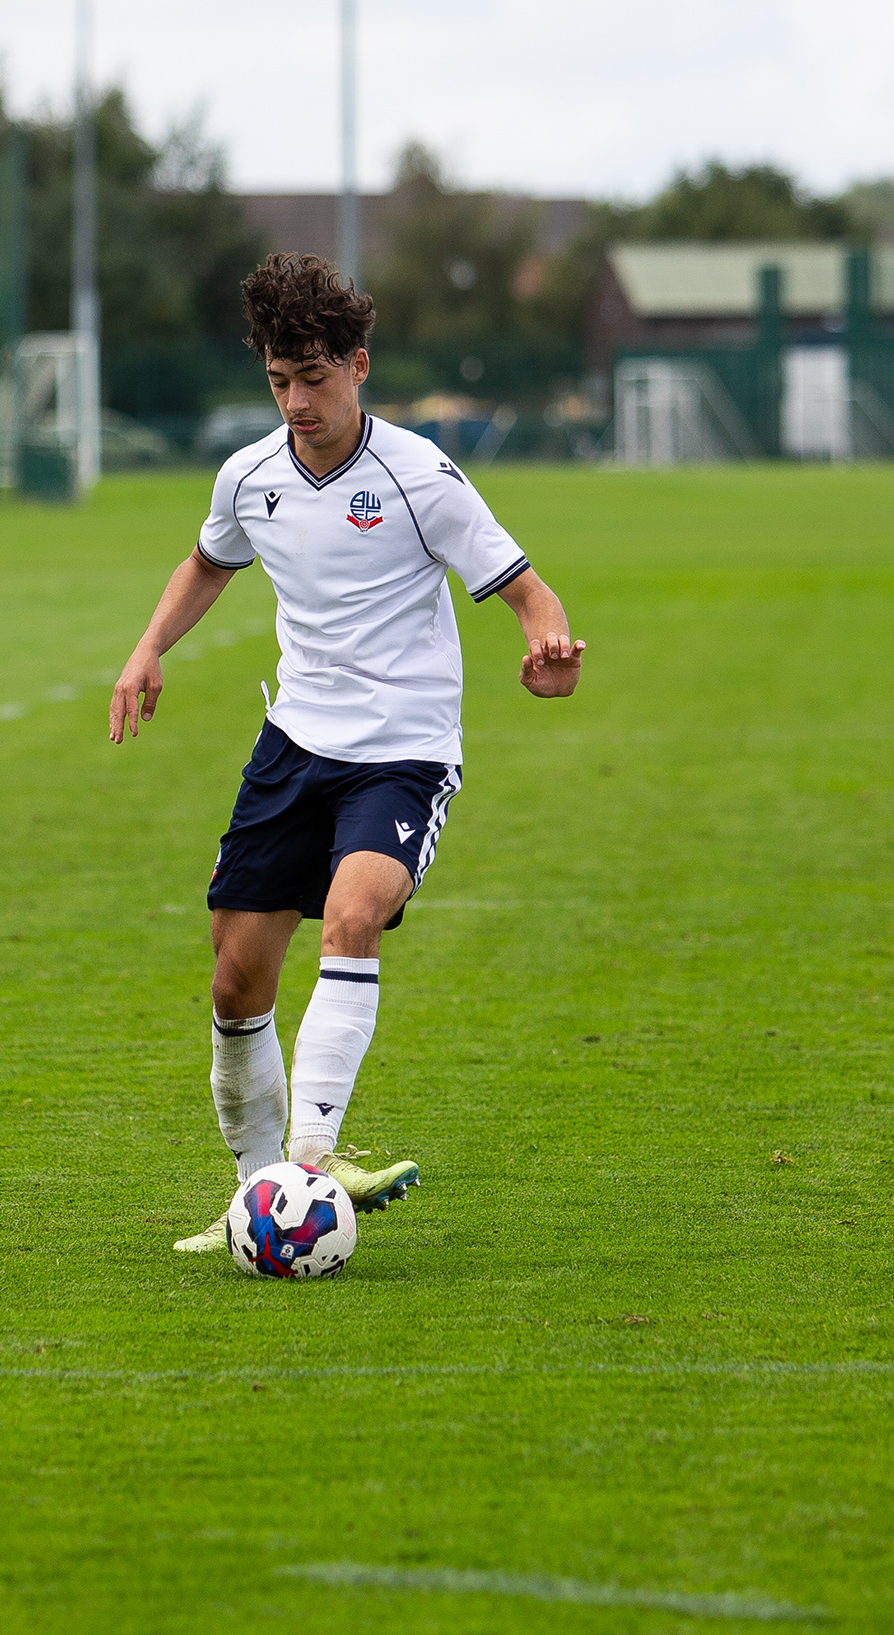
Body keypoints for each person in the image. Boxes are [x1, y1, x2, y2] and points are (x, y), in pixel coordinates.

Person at [109, 252, 585, 1252]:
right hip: (294, 746)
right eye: (279, 381)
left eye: (314, 379)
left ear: (359, 365)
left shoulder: (421, 477)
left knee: (354, 916)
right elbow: (208, 562)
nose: (296, 403)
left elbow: (525, 588)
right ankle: (256, 1196)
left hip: (403, 751)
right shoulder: (250, 476)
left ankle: (311, 1167)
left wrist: (549, 649)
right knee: (235, 984)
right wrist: (149, 648)